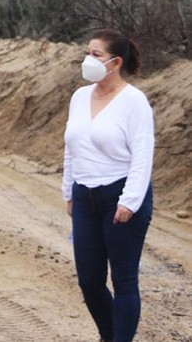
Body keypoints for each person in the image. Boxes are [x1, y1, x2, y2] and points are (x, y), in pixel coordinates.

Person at [62, 29, 154, 342]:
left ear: (114, 62)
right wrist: (68, 191)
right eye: (87, 53)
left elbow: (143, 155)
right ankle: (109, 335)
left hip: (121, 195)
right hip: (84, 196)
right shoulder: (79, 97)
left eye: (96, 55)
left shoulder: (133, 101)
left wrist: (130, 201)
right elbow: (72, 146)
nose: (88, 60)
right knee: (89, 280)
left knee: (124, 280)